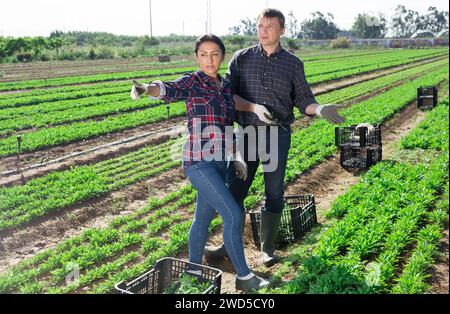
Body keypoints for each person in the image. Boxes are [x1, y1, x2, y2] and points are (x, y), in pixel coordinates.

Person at [204, 8, 346, 267]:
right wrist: (253, 108)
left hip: (276, 136)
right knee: (235, 190)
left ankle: (267, 248)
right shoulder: (241, 58)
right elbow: (228, 96)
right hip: (246, 134)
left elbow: (303, 100)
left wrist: (320, 108)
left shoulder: (293, 63)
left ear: (282, 30)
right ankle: (228, 244)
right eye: (260, 26)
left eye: (270, 26)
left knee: (274, 192)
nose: (263, 31)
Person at [130, 34, 269, 291]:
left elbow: (227, 125)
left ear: (221, 56)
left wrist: (236, 155)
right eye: (203, 54)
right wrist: (147, 88)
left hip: (220, 162)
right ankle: (244, 276)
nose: (209, 59)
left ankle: (193, 269)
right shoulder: (194, 82)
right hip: (198, 162)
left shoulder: (225, 86)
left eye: (214, 53)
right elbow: (169, 88)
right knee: (233, 213)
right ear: (197, 57)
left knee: (202, 218)